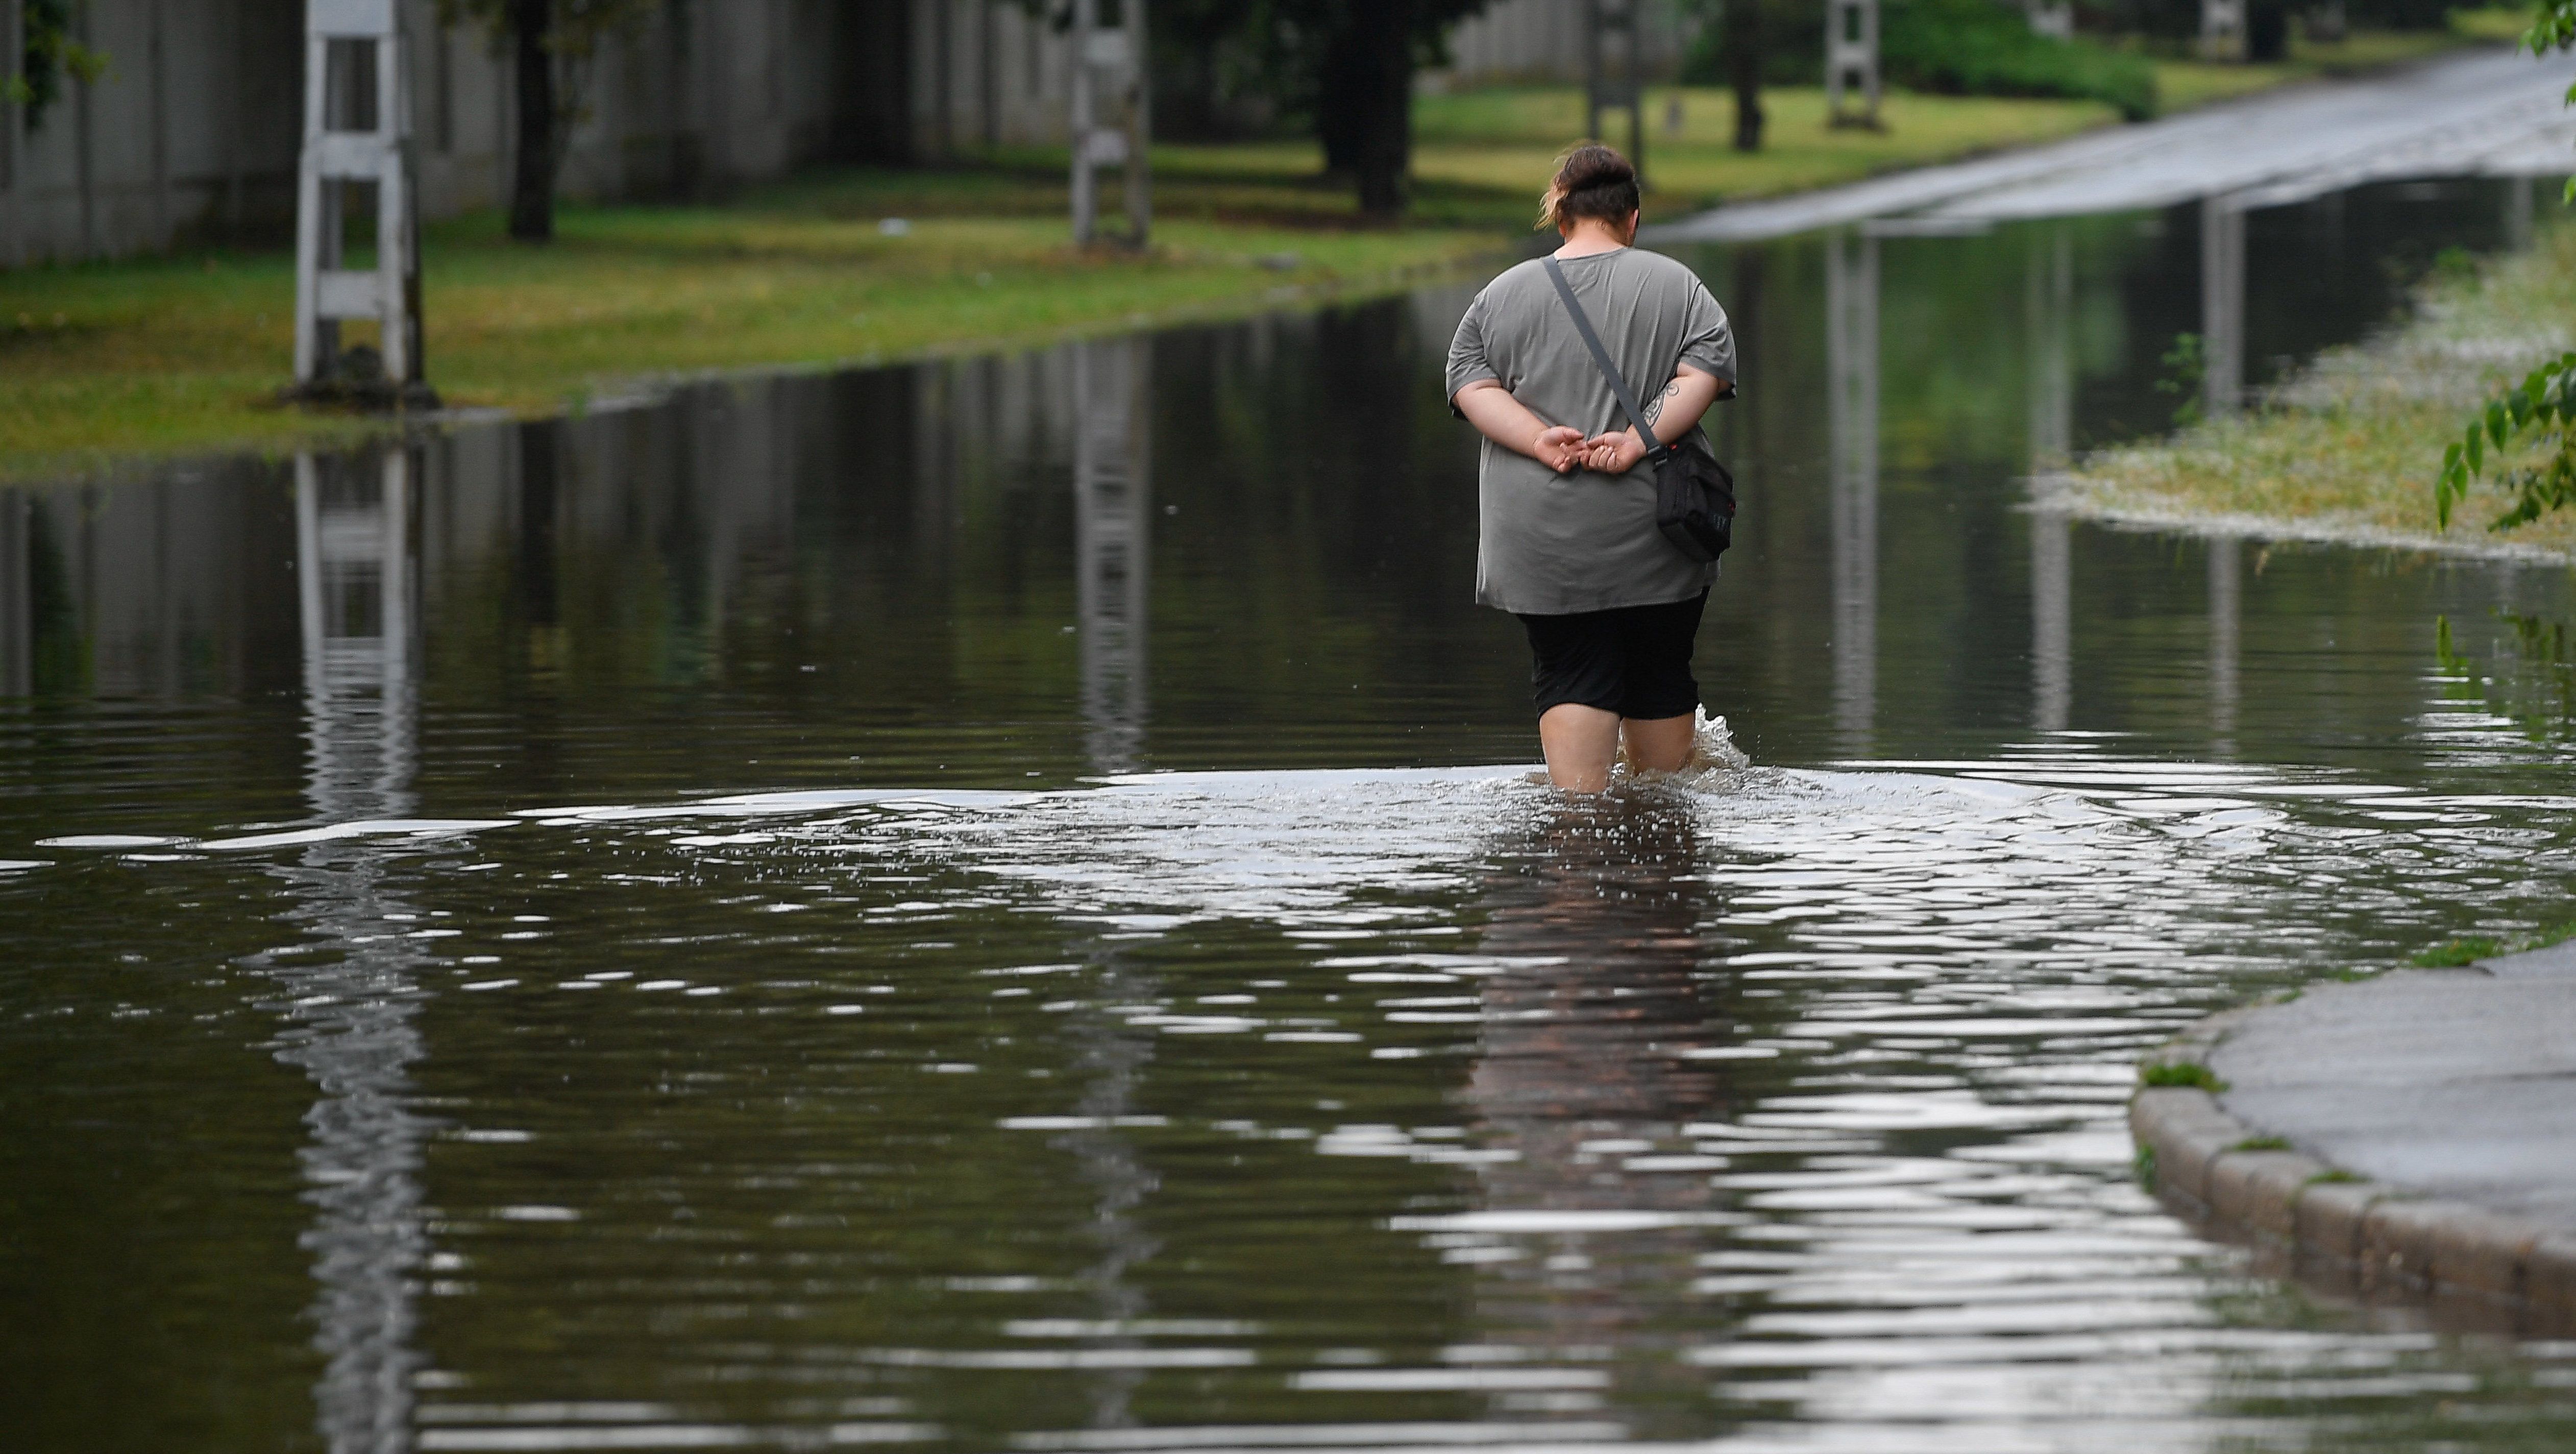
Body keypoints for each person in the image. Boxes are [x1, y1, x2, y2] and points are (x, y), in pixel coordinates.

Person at [1446, 144, 1737, 794]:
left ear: (1560, 218)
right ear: (1632, 219)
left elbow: (1470, 384)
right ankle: (1660, 847)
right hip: (1659, 531)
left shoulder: (1499, 296)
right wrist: (1636, 442)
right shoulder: (1680, 287)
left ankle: (1578, 841)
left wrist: (1540, 439)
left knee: (1572, 667)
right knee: (1661, 669)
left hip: (1541, 537)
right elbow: (1702, 376)